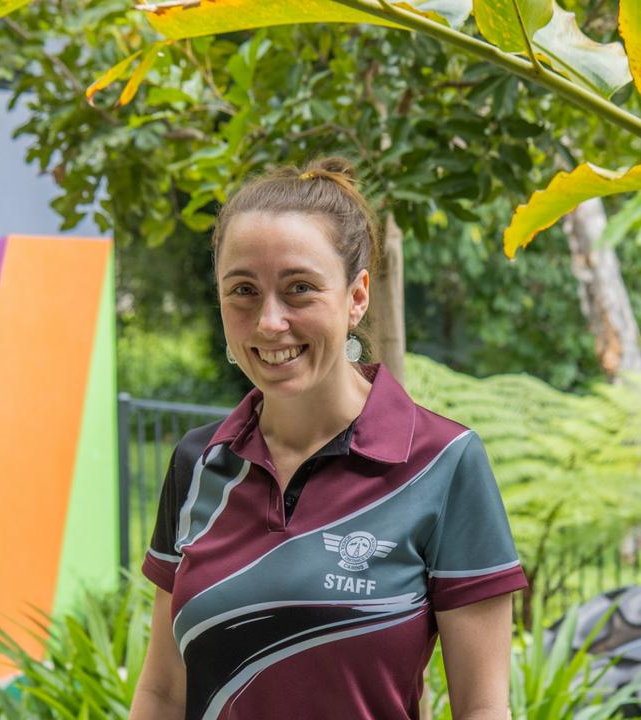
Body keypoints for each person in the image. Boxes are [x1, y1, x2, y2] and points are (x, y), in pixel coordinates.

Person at [129, 157, 527, 720]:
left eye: (299, 289)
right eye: (243, 290)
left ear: (357, 296)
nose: (269, 321)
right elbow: (163, 691)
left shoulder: (443, 463)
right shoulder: (199, 464)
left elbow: (483, 710)